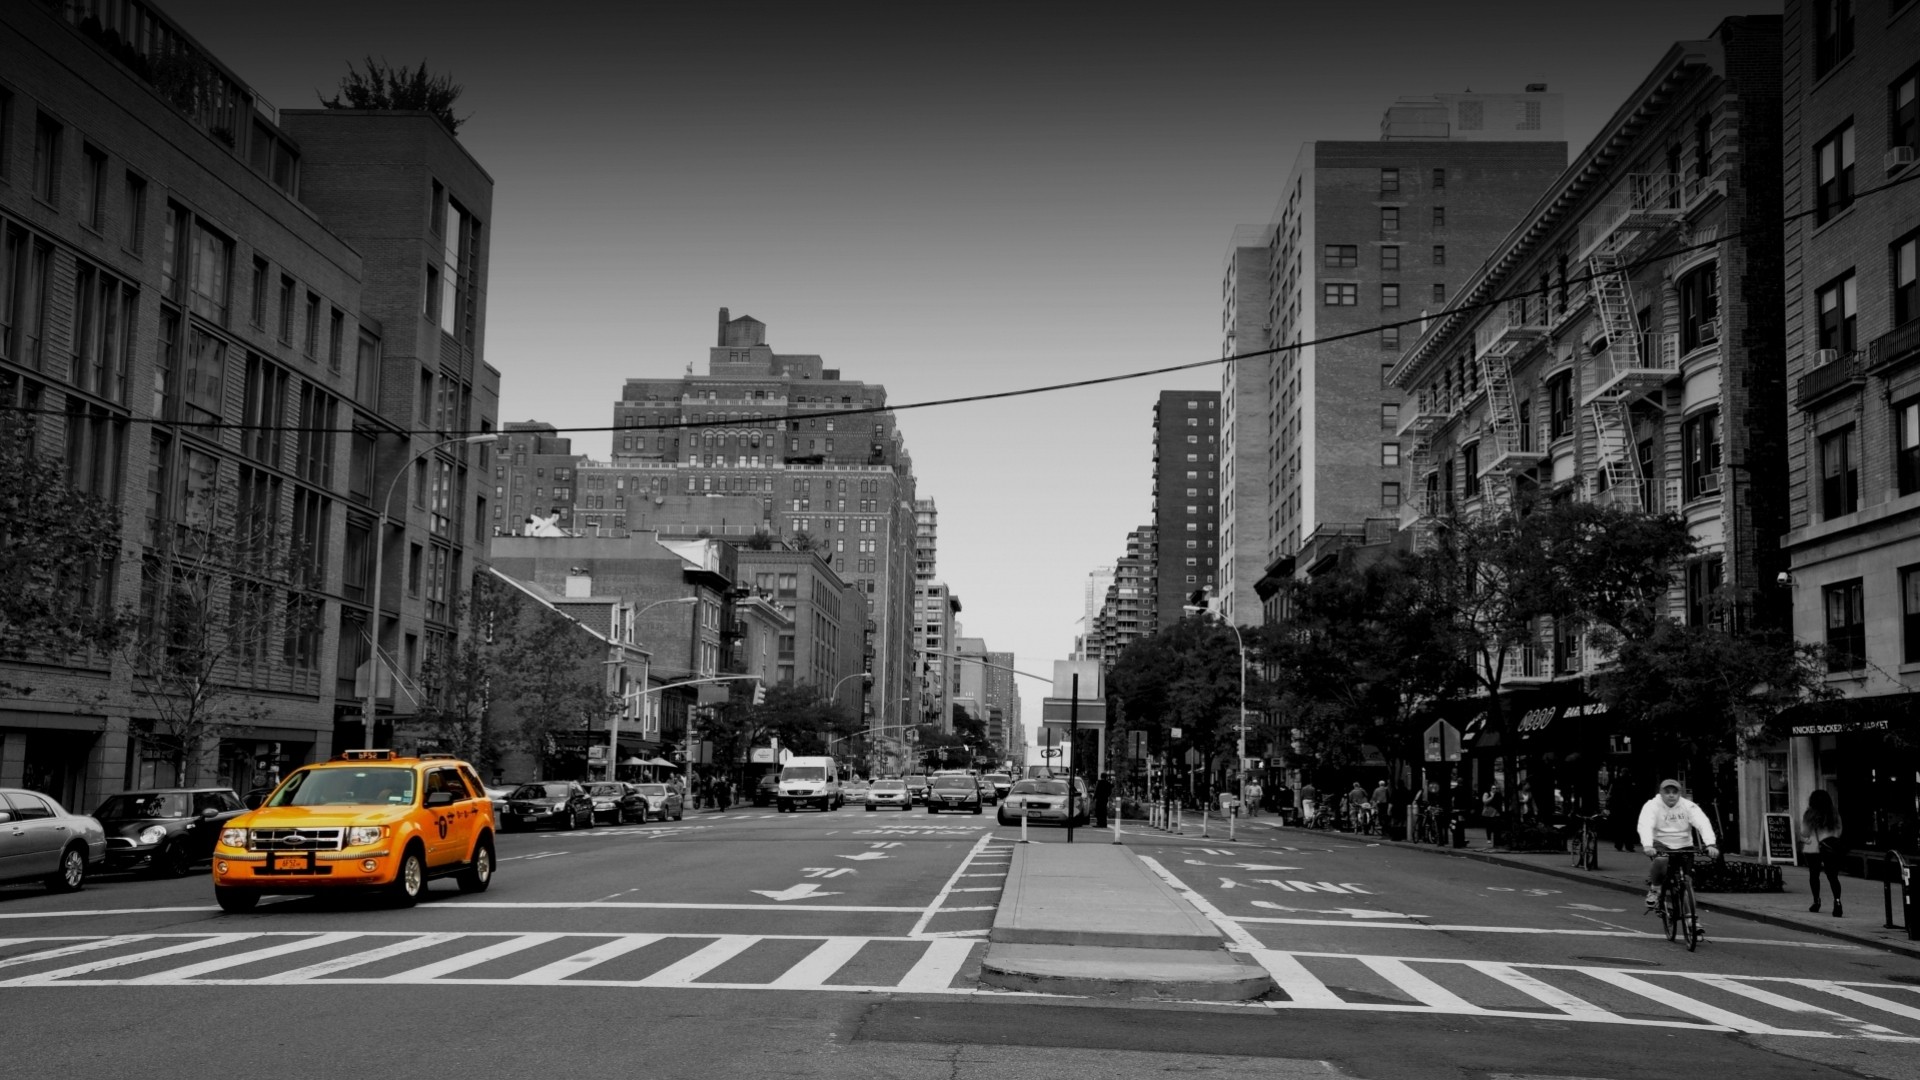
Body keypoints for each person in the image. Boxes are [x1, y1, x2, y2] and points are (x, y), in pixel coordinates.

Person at [1637, 778, 1719, 908]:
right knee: (1661, 859)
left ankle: (1691, 920)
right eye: (1667, 792)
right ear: (1661, 793)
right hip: (1661, 842)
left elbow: (1703, 823)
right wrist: (1647, 845)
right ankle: (1655, 888)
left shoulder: (1688, 806)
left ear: (1679, 794)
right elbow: (1645, 825)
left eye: (1674, 792)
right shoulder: (1652, 806)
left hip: (1684, 844)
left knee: (1687, 882)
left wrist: (1710, 844)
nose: (1671, 795)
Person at [1802, 789, 1844, 917]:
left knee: (1814, 875)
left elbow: (1804, 832)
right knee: (1833, 876)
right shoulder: (1834, 813)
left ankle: (1816, 901)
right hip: (1830, 847)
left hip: (1813, 847)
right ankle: (1837, 902)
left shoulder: (1809, 814)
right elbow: (1839, 830)